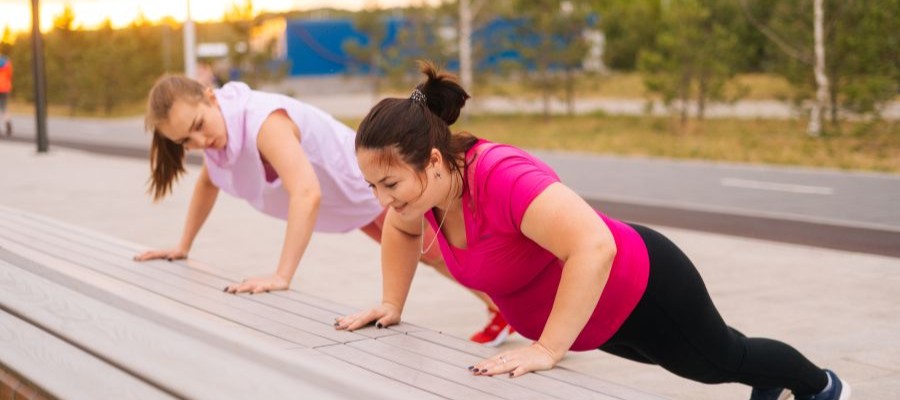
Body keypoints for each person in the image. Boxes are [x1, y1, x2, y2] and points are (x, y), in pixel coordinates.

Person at [334, 62, 850, 400]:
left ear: (431, 159)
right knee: (710, 357)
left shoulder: (501, 176)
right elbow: (400, 231)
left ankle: (820, 386)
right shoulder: (427, 191)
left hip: (642, 285)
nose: (383, 200)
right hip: (595, 321)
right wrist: (391, 303)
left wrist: (548, 350)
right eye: (373, 186)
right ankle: (769, 378)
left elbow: (593, 245)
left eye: (389, 183)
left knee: (717, 361)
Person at [134, 75, 514, 345]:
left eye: (199, 125)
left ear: (211, 96)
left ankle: (511, 309)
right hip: (354, 203)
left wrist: (282, 275)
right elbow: (208, 183)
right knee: (434, 256)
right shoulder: (219, 140)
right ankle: (503, 309)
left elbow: (306, 192)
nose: (201, 140)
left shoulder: (264, 122)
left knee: (438, 253)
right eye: (187, 140)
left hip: (371, 185)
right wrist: (183, 245)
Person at [0, 53, 12, 136]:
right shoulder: (7, 63)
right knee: (4, 107)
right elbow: (10, 75)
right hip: (5, 88)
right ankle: (7, 122)